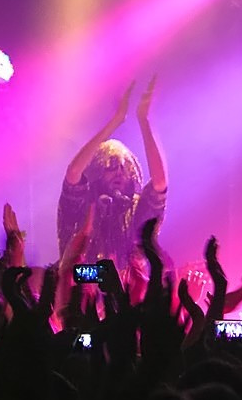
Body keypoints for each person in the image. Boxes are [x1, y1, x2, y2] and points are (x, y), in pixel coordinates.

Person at [57, 78, 167, 281]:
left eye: (124, 168)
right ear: (97, 170)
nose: (118, 173)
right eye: (111, 166)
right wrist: (116, 120)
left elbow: (160, 184)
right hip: (79, 292)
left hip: (127, 296)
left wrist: (144, 120)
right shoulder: (83, 203)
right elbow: (73, 173)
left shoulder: (136, 207)